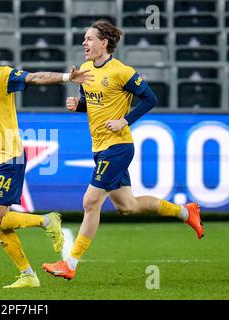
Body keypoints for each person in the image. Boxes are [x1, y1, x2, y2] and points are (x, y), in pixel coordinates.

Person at [42, 20, 204, 281]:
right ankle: (187, 212)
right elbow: (93, 103)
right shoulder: (84, 70)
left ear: (104, 43)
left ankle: (70, 263)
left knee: (90, 202)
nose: (84, 43)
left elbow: (150, 98)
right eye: (84, 39)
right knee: (127, 206)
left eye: (89, 39)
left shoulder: (121, 71)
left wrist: (124, 120)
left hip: (117, 146)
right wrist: (78, 105)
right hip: (100, 147)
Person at [0, 35, 93, 288]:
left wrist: (67, 77)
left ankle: (47, 220)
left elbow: (34, 77)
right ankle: (28, 275)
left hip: (10, 156)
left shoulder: (3, 75)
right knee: (0, 225)